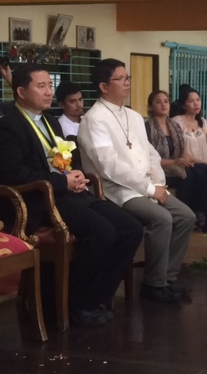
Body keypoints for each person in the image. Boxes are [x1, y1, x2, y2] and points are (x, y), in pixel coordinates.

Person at [0, 63, 143, 326]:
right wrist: (62, 181)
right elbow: (13, 173)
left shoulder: (51, 120)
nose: (48, 92)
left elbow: (63, 157)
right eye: (40, 86)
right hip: (39, 199)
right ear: (21, 91)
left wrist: (75, 175)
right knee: (102, 232)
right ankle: (78, 304)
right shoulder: (9, 125)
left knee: (131, 228)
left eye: (49, 86)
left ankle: (96, 296)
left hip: (67, 192)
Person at [78, 58, 196, 303]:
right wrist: (149, 189)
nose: (127, 83)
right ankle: (153, 286)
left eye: (127, 77)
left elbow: (150, 153)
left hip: (146, 185)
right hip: (117, 190)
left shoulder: (132, 115)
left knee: (186, 216)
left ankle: (168, 278)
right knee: (162, 218)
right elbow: (108, 165)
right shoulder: (94, 119)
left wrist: (158, 183)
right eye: (120, 79)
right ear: (103, 86)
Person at [146, 90, 207, 228]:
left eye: (166, 101)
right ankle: (184, 215)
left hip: (176, 166)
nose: (164, 105)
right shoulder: (147, 127)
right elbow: (149, 159)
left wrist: (188, 161)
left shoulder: (174, 126)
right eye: (158, 102)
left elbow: (183, 153)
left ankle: (201, 212)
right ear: (151, 107)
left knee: (204, 170)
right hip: (159, 169)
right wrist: (175, 162)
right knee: (189, 176)